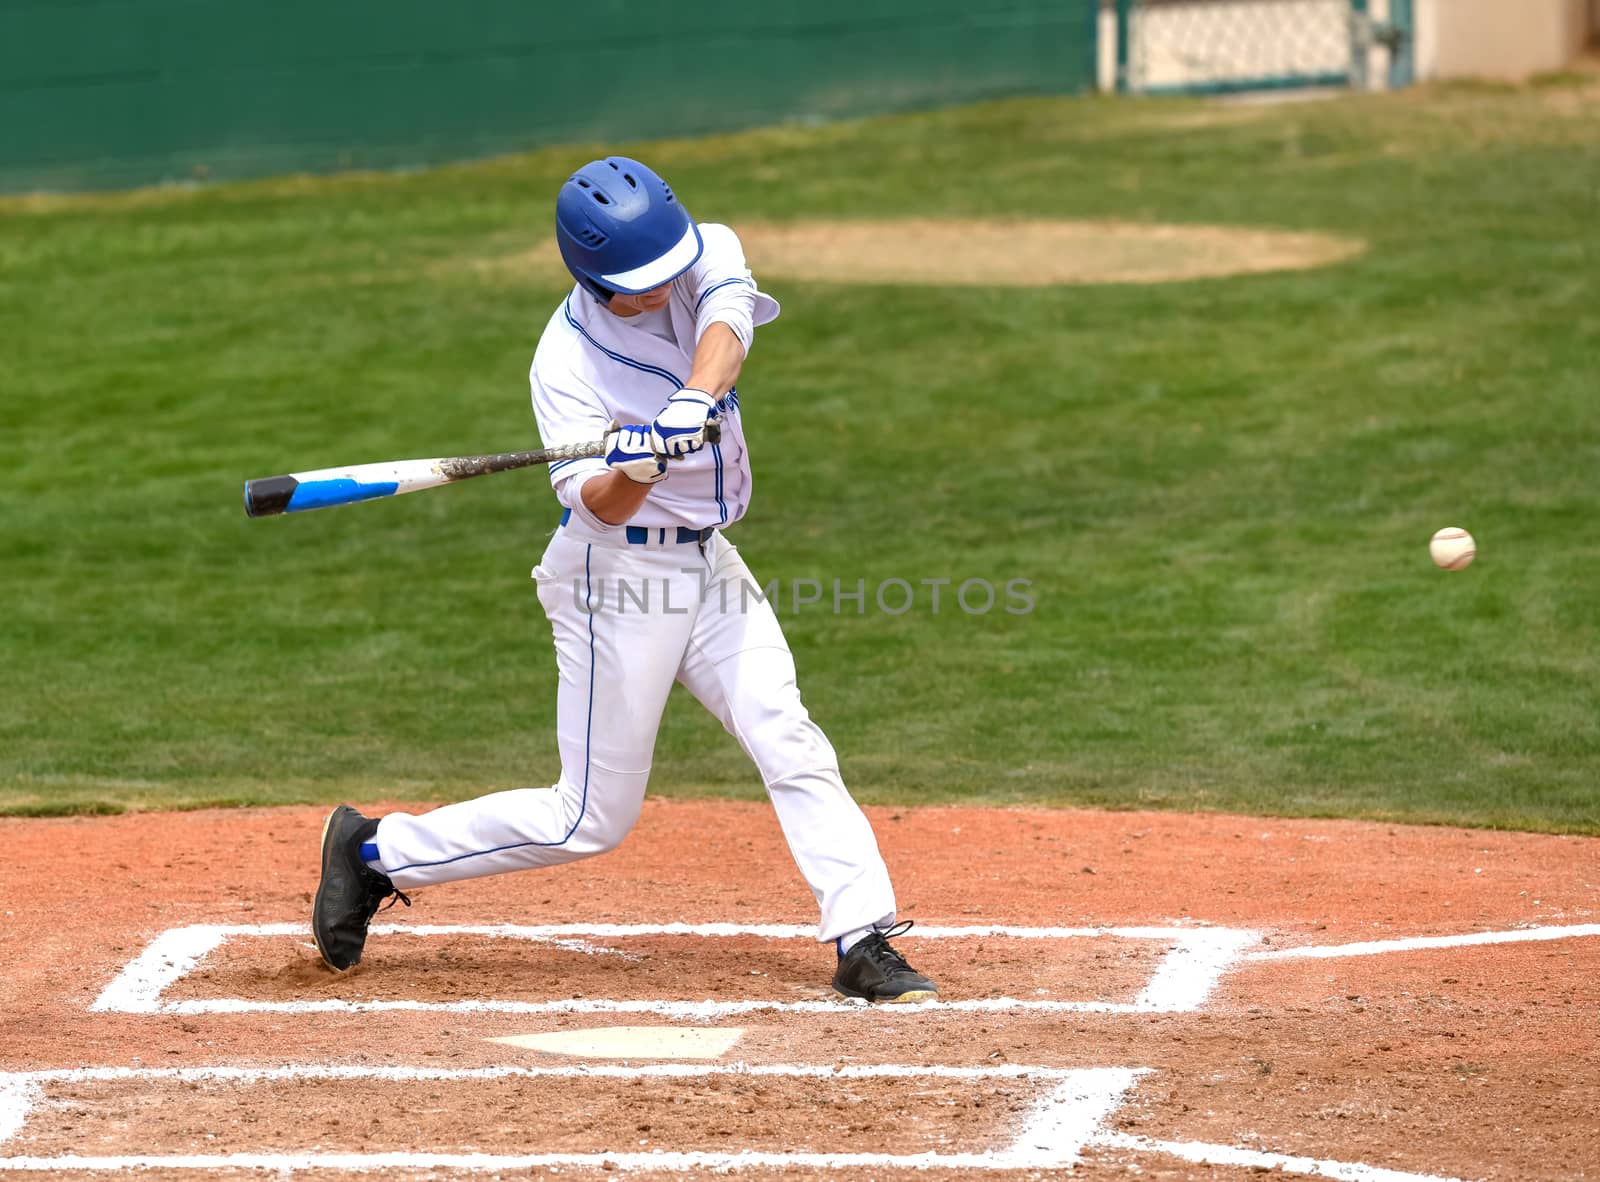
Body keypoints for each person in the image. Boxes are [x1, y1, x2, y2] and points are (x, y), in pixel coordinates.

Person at [311, 156, 936, 1004]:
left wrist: (686, 406)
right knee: (589, 819)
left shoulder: (701, 252)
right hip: (619, 577)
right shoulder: (563, 363)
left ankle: (863, 937)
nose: (663, 288)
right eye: (640, 284)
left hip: (708, 561)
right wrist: (636, 465)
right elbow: (597, 507)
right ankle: (372, 851)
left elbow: (727, 325)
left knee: (787, 734)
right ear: (592, 277)